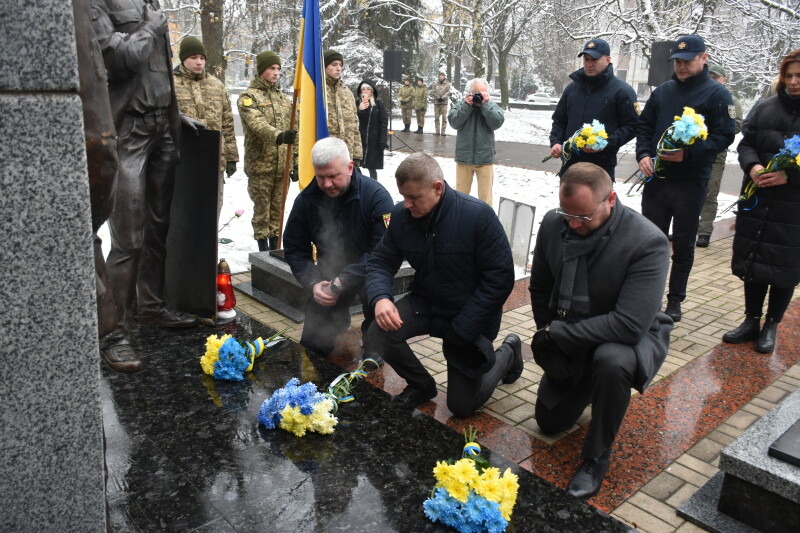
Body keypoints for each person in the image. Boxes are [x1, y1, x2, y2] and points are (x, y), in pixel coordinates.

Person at [529, 162, 672, 498]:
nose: (574, 224)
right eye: (568, 216)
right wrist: (547, 334)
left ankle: (596, 457)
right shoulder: (556, 223)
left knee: (610, 362)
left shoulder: (647, 241)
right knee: (549, 423)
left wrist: (558, 334)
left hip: (630, 338)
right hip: (574, 329)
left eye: (583, 217)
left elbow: (629, 324)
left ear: (611, 198)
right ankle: (588, 384)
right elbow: (539, 287)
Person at [365, 153, 523, 416]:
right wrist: (381, 297)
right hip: (428, 303)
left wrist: (464, 328)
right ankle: (421, 386)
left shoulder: (477, 215)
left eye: (414, 197)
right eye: (404, 196)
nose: (407, 204)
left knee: (461, 407)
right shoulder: (402, 216)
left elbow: (500, 278)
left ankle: (507, 353)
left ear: (437, 188)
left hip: (470, 314)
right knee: (378, 332)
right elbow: (381, 260)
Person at [93, 0, 198, 340]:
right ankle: (113, 332)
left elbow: (157, 70)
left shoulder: (150, 4)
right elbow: (118, 60)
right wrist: (151, 27)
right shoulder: (100, 4)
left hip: (162, 127)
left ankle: (151, 307)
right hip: (128, 132)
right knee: (129, 239)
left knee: (157, 230)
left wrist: (172, 112)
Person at [636, 35, 736, 322]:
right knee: (651, 241)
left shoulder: (717, 95)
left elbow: (723, 136)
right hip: (657, 180)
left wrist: (688, 155)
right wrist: (643, 154)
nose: (680, 66)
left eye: (687, 60)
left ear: (703, 58)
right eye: (677, 61)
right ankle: (648, 295)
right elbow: (645, 127)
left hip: (690, 182)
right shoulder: (663, 92)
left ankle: (675, 299)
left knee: (682, 243)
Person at [283, 137, 394, 358]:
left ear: (350, 167)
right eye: (321, 177)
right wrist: (314, 283)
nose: (326, 185)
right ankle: (334, 324)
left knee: (374, 327)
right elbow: (295, 249)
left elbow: (381, 253)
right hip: (330, 272)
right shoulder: (306, 201)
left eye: (334, 176)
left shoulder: (376, 197)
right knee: (312, 344)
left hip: (370, 271)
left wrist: (343, 280)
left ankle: (373, 348)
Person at [722, 49, 800, 354]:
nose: (794, 82)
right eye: (789, 76)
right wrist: (752, 166)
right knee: (754, 261)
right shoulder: (765, 107)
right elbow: (747, 143)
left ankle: (771, 325)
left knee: (784, 266)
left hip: (793, 207)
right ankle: (750, 321)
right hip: (758, 198)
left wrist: (790, 177)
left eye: (799, 76)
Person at [549, 38, 639, 181]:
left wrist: (605, 143)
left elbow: (632, 126)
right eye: (586, 59)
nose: (589, 64)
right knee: (568, 204)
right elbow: (559, 120)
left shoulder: (622, 90)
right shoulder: (572, 89)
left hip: (601, 168)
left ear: (608, 60)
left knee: (597, 204)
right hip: (570, 166)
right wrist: (556, 142)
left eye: (594, 59)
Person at [173, 36, 239, 218]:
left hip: (214, 161)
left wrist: (232, 157)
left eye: (202, 58)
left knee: (211, 213)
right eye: (193, 57)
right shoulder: (170, 84)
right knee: (184, 214)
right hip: (182, 162)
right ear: (183, 58)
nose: (199, 62)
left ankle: (209, 246)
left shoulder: (217, 86)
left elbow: (227, 123)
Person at [238, 50, 296, 251]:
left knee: (278, 213)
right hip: (261, 166)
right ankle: (263, 253)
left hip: (282, 166)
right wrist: (279, 136)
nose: (276, 72)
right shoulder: (248, 97)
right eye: (272, 68)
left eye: (278, 68)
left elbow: (294, 132)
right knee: (262, 214)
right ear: (262, 69)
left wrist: (295, 162)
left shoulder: (283, 99)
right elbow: (257, 124)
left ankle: (275, 251)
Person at [696, 65, 743, 247]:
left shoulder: (731, 100)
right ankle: (687, 228)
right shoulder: (699, 94)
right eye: (710, 77)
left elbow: (736, 125)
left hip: (716, 152)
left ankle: (704, 232)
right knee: (690, 191)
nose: (713, 80)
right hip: (695, 150)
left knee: (710, 192)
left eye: (716, 77)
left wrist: (715, 129)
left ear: (724, 79)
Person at [448, 77, 505, 206]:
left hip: (484, 159)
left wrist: (486, 105)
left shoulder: (491, 106)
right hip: (464, 158)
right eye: (477, 93)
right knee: (460, 198)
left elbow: (497, 122)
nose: (480, 96)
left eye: (483, 93)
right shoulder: (462, 104)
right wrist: (466, 106)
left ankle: (485, 224)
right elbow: (454, 122)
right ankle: (460, 222)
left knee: (485, 200)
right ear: (470, 93)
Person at [323, 49, 362, 166]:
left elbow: (354, 126)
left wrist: (356, 155)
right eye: (333, 65)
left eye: (340, 65)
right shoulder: (316, 91)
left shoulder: (347, 92)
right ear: (324, 66)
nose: (338, 68)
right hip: (324, 158)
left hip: (346, 157)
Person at [355, 80, 388, 180]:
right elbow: (350, 119)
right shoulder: (356, 103)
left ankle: (373, 186)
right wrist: (358, 109)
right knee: (356, 165)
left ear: (372, 91)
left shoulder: (378, 103)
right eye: (363, 89)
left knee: (372, 167)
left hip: (373, 141)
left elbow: (383, 122)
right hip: (359, 139)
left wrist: (383, 139)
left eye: (368, 89)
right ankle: (360, 183)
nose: (365, 91)